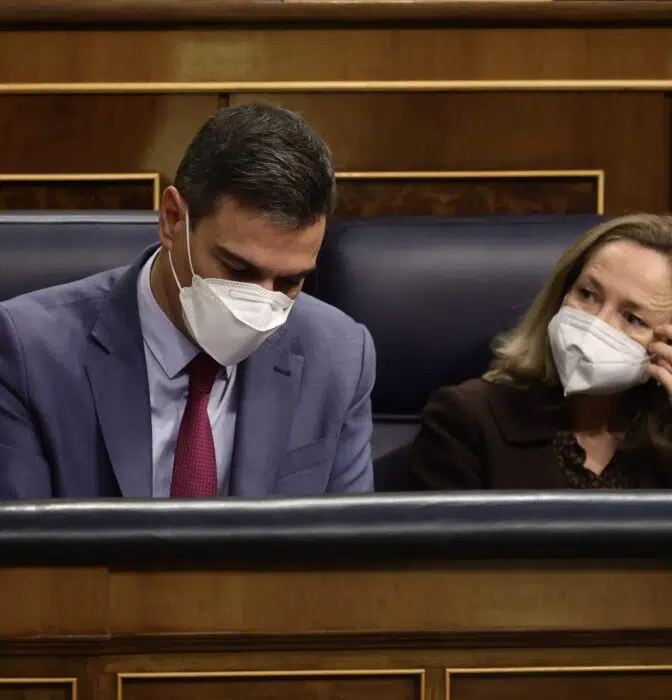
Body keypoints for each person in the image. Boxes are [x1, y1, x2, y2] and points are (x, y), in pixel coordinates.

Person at [0, 104, 375, 499]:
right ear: (173, 219)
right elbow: (24, 537)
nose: (262, 304)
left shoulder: (340, 357)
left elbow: (345, 536)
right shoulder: (29, 353)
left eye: (290, 281)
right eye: (237, 270)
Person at [411, 214, 672, 490]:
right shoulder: (466, 419)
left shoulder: (663, 443)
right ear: (561, 296)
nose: (597, 323)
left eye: (632, 318)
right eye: (587, 294)